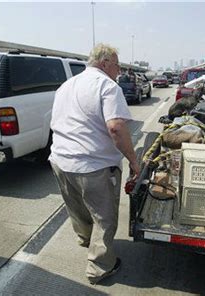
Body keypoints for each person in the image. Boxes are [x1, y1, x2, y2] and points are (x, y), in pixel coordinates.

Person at [49, 43, 140, 285]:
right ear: (105, 62)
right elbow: (116, 127)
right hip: (93, 167)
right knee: (105, 217)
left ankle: (85, 238)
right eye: (117, 65)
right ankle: (100, 268)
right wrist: (133, 160)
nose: (119, 70)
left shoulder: (67, 85)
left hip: (60, 161)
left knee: (77, 207)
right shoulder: (107, 86)